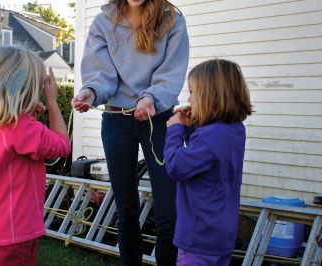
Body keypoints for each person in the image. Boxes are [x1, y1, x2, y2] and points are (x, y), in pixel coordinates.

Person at [71, 0, 189, 265]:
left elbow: (170, 75)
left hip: (158, 119)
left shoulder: (173, 22)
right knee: (126, 210)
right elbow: (101, 74)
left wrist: (150, 99)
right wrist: (90, 92)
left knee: (168, 211)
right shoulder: (104, 21)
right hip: (116, 120)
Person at [0, 46, 70, 266]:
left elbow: (12, 147)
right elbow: (62, 145)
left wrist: (30, 117)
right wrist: (52, 101)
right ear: (24, 88)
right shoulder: (20, 126)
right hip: (14, 234)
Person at [164, 59, 253, 266]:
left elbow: (177, 167)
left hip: (199, 235)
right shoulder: (234, 130)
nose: (189, 99)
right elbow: (204, 160)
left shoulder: (210, 136)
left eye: (192, 92)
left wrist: (175, 130)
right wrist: (189, 129)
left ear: (210, 95)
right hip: (221, 234)